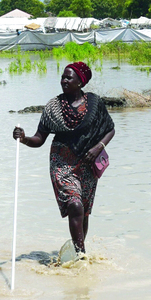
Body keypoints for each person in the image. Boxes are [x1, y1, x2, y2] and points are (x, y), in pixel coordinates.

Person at [12, 62, 115, 255]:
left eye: (69, 77)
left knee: (83, 212)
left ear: (80, 82)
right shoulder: (53, 107)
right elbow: (39, 139)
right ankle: (81, 256)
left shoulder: (94, 104)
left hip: (88, 163)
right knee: (74, 205)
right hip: (62, 163)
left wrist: (98, 147)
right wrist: (24, 139)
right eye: (63, 77)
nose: (64, 80)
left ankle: (77, 253)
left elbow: (110, 129)